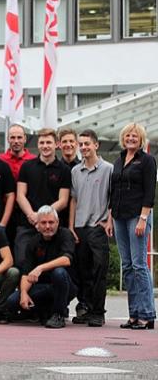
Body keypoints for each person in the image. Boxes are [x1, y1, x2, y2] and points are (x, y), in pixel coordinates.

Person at [111, 123, 156, 330]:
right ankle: (134, 314)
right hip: (119, 217)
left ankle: (147, 314)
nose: (131, 138)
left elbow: (149, 191)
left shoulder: (147, 161)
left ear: (141, 139)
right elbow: (114, 191)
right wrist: (110, 217)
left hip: (137, 216)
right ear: (123, 137)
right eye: (128, 135)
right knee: (127, 266)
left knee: (139, 266)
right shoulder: (119, 160)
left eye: (135, 136)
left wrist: (143, 218)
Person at [6, 205, 77, 329]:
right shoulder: (33, 242)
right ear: (37, 224)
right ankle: (40, 312)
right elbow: (26, 273)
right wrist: (23, 293)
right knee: (12, 302)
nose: (48, 226)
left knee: (59, 272)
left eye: (51, 222)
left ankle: (58, 315)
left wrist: (41, 268)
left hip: (64, 285)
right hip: (42, 287)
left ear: (57, 222)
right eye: (43, 223)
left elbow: (66, 260)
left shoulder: (65, 234)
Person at [69, 129, 113, 327]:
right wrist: (71, 226)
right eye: (82, 144)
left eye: (87, 144)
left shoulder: (108, 169)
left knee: (99, 271)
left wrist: (109, 221)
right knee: (83, 271)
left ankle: (98, 312)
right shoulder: (75, 171)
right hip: (80, 227)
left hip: (98, 227)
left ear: (96, 145)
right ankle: (85, 308)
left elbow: (113, 198)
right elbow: (73, 200)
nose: (84, 147)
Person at [15, 128, 71, 266]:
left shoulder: (64, 170)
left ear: (56, 144)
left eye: (48, 142)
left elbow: (63, 200)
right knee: (23, 262)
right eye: (42, 142)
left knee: (53, 267)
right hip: (28, 224)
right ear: (38, 145)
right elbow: (20, 195)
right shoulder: (27, 167)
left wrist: (43, 217)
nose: (45, 146)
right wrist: (33, 216)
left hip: (53, 228)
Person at [0, 124, 36, 248]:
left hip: (27, 212)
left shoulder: (34, 161)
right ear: (8, 139)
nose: (16, 141)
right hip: (4, 211)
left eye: (19, 138)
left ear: (25, 138)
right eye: (12, 138)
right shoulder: (0, 161)